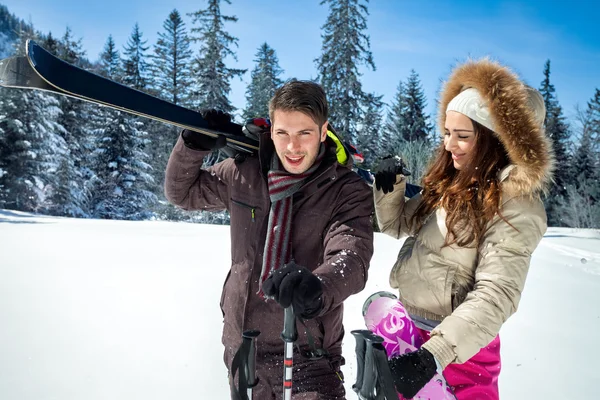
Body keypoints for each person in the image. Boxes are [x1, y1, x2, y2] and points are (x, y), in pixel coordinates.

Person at [164, 79, 374, 399]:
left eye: (304, 133)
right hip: (242, 347)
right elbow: (183, 193)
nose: (292, 147)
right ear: (271, 129)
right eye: (283, 133)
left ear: (322, 131)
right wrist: (192, 146)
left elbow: (352, 254)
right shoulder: (244, 174)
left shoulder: (345, 190)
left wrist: (319, 286)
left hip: (308, 354)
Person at [373, 59, 554, 399]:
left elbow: (497, 294)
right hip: (411, 335)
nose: (448, 145)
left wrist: (434, 355)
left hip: (460, 352)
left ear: (494, 141)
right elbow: (397, 225)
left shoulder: (516, 204)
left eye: (462, 136)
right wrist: (388, 187)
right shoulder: (453, 184)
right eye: (446, 133)